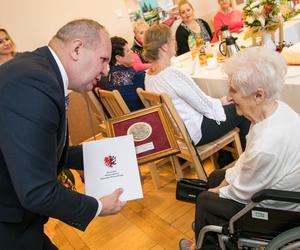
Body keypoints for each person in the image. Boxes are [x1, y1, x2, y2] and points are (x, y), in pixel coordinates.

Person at [0, 19, 126, 250]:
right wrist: (97, 206)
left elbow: (45, 152)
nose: (106, 70)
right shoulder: (35, 84)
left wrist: (107, 153)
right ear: (77, 49)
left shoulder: (37, 70)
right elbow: (38, 192)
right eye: (103, 59)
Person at [179, 47, 300, 250]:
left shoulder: (267, 144)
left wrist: (218, 191)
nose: (229, 96)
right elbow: (246, 158)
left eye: (234, 90)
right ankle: (210, 233)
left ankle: (207, 243)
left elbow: (242, 192)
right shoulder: (277, 110)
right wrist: (224, 181)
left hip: (278, 210)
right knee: (217, 176)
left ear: (258, 95)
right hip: (280, 187)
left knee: (206, 200)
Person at [143, 24, 250, 151]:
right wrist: (223, 101)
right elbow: (203, 105)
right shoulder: (172, 74)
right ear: (164, 47)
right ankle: (248, 161)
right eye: (172, 39)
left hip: (176, 134)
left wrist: (220, 101)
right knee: (243, 106)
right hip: (195, 131)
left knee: (226, 103)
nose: (175, 42)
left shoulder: (148, 76)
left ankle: (225, 156)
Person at [98, 36, 145, 111]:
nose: (132, 52)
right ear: (118, 58)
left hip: (125, 118)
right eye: (127, 50)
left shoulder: (110, 77)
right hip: (141, 115)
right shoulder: (136, 76)